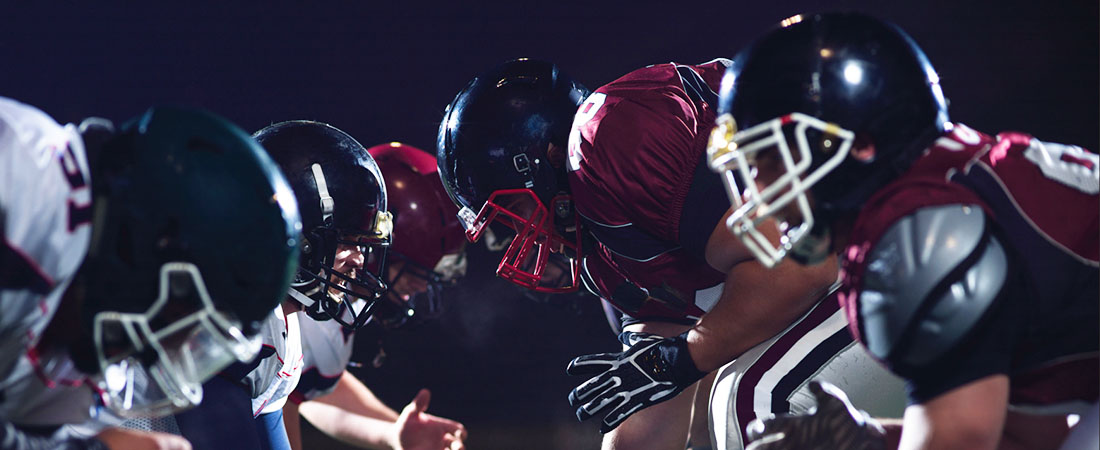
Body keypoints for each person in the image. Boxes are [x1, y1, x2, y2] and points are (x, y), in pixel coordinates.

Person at [437, 58, 904, 450]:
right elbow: (650, 419)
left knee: (751, 406)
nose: (526, 238)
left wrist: (681, 359)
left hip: (898, 249)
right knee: (660, 435)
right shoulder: (603, 258)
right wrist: (673, 364)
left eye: (515, 210)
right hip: (838, 283)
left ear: (550, 157)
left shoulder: (611, 142)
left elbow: (801, 260)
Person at [705, 12, 1098, 450]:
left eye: (772, 161)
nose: (759, 191)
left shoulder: (920, 235)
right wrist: (870, 440)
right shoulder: (947, 186)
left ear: (856, 144)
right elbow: (1029, 437)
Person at [0, 96, 301, 449]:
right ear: (144, 252)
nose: (171, 345)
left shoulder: (77, 342)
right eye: (181, 316)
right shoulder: (26, 184)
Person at [283, 141, 468, 450]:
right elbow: (279, 397)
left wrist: (391, 433)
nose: (420, 288)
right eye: (414, 272)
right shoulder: (295, 304)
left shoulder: (332, 304)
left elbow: (311, 386)